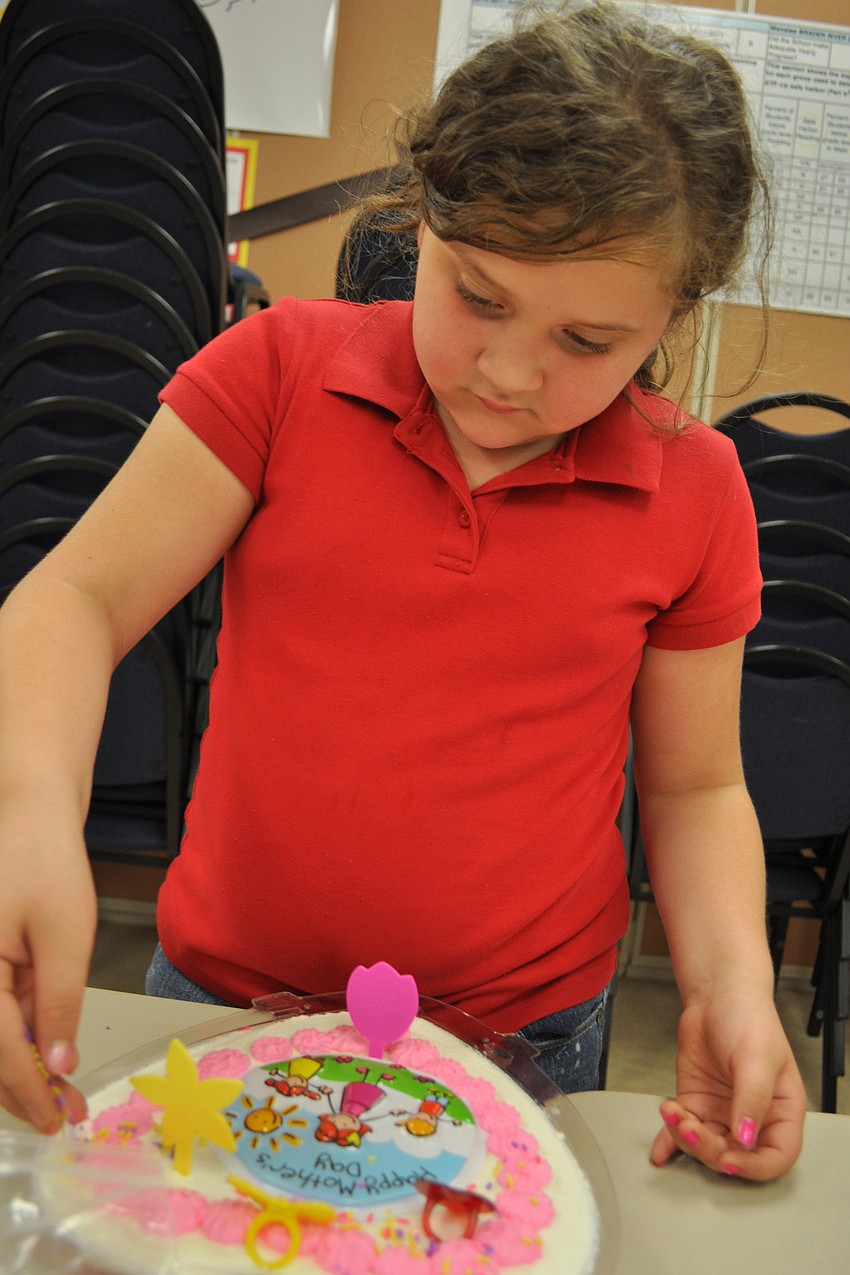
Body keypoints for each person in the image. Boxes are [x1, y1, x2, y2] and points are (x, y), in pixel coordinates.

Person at [0, 0, 806, 1181]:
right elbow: (74, 600)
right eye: (477, 296)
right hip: (226, 1006)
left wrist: (734, 986)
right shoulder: (278, 376)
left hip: (523, 1042)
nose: (511, 372)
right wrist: (28, 816)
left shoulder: (697, 490)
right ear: (417, 220)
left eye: (587, 340)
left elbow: (693, 786)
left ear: (674, 315)